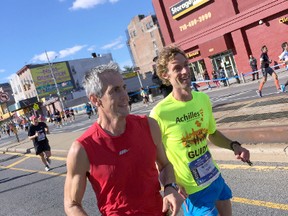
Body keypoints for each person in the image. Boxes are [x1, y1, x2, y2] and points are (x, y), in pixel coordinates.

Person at [64, 62, 184, 216]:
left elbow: (166, 165)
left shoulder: (149, 125)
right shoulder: (82, 149)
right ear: (95, 100)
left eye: (124, 88)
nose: (125, 96)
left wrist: (170, 187)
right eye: (115, 90)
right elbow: (71, 204)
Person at [149, 46, 251, 216]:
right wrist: (170, 184)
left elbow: (212, 133)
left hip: (214, 177)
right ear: (165, 75)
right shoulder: (159, 113)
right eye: (177, 68)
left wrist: (234, 146)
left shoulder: (202, 99)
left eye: (186, 65)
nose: (185, 71)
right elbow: (155, 155)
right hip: (191, 190)